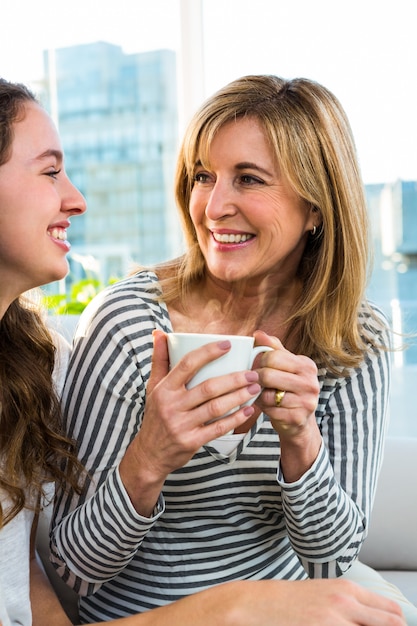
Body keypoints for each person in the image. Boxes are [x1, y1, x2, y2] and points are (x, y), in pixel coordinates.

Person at [0, 77, 407, 626]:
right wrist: (150, 457)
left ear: (316, 206)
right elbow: (71, 571)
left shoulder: (354, 343)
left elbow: (331, 561)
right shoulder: (129, 323)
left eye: (248, 179)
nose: (214, 206)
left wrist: (301, 445)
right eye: (202, 177)